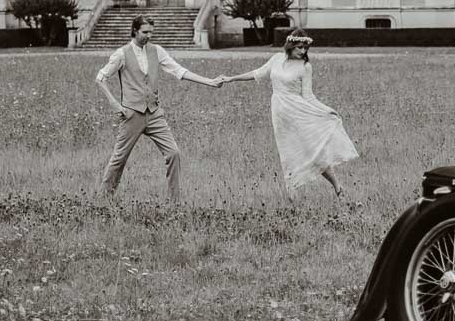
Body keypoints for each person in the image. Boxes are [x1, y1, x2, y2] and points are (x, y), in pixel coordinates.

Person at [217, 29, 358, 197]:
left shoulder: (306, 66)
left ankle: (338, 188)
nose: (303, 51)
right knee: (287, 151)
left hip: (299, 111)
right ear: (290, 45)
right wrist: (231, 78)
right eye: (299, 47)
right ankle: (292, 193)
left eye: (305, 48)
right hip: (280, 112)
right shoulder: (277, 59)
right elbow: (257, 73)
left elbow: (308, 96)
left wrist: (327, 110)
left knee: (312, 150)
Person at [96, 14, 222, 200]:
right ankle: (102, 200)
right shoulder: (122, 53)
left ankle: (174, 203)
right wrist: (115, 104)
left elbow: (178, 70)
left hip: (154, 114)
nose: (149, 36)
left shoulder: (157, 51)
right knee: (119, 159)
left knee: (173, 153)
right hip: (132, 114)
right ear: (135, 31)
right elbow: (100, 78)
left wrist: (209, 82)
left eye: (151, 32)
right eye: (145, 32)